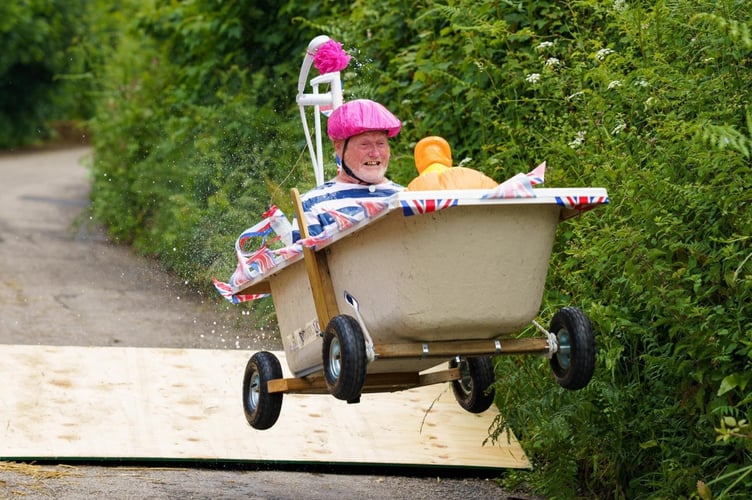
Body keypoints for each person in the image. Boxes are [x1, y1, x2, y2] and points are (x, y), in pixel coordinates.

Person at [292, 99, 404, 241]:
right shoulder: (312, 205)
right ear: (338, 147)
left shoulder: (407, 197)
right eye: (365, 144)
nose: (375, 153)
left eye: (380, 144)